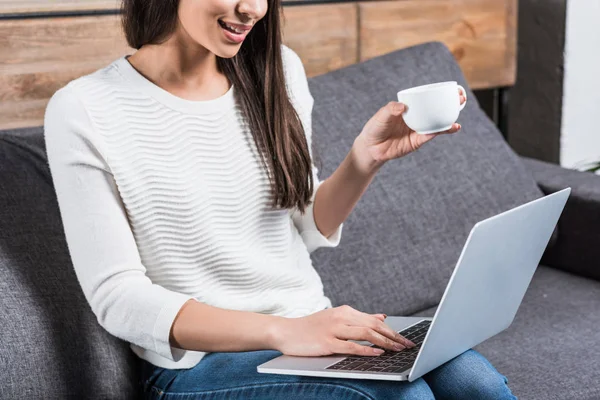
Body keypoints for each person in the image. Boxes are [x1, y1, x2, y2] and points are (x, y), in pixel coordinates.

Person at [44, 0, 516, 398]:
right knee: (400, 393)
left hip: (306, 327)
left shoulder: (276, 70)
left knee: (476, 382)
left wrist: (364, 160)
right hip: (198, 365)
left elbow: (305, 226)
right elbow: (118, 298)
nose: (251, 9)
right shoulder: (85, 108)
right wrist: (287, 332)